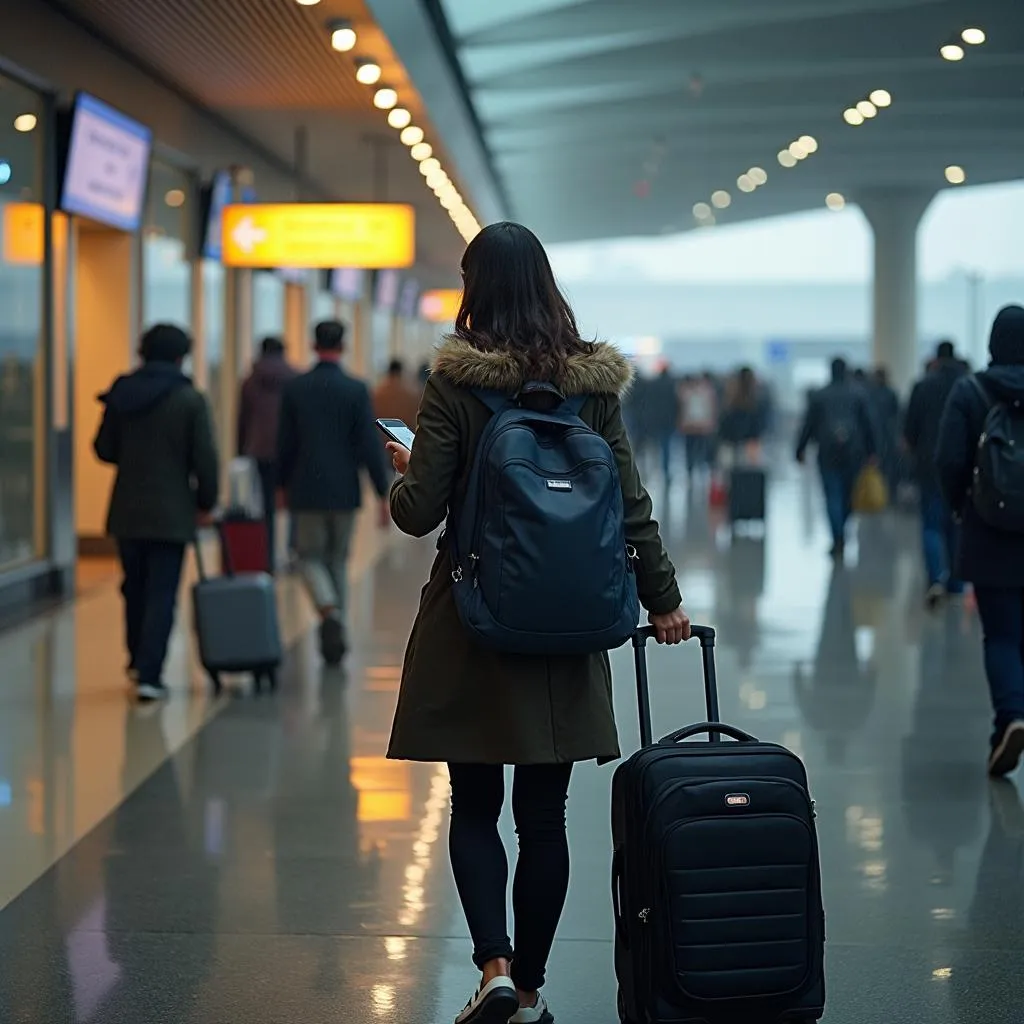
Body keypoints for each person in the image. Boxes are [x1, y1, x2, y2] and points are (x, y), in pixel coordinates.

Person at [383, 222, 690, 1024]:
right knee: (544, 817)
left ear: (476, 286)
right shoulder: (594, 387)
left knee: (475, 807)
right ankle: (529, 988)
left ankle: (490, 968)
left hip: (476, 618)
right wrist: (663, 599)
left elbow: (418, 515)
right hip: (567, 624)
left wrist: (407, 471)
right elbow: (630, 505)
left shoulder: (456, 383)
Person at [94, 324, 219, 701]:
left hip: (127, 509)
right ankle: (150, 672)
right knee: (162, 591)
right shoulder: (189, 399)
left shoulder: (122, 393)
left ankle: (136, 659)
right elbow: (205, 459)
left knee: (134, 587)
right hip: (172, 511)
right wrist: (206, 503)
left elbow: (104, 449)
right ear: (181, 356)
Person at [935, 306, 1024, 776]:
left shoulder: (972, 391)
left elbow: (948, 460)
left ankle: (1010, 719)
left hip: (990, 529)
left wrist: (960, 508)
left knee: (1003, 634)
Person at [277, 320, 390, 665]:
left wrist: (280, 486)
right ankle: (335, 620)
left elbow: (284, 443)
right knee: (337, 558)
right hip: (344, 489)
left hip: (305, 488)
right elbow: (370, 446)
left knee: (308, 556)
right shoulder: (356, 390)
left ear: (314, 346)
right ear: (342, 347)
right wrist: (382, 493)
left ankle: (328, 610)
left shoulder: (296, 388)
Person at [903, 340, 967, 607]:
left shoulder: (923, 386)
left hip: (930, 464)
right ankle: (956, 581)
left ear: (936, 360)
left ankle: (934, 578)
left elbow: (909, 430)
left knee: (931, 524)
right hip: (963, 465)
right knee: (957, 523)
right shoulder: (969, 386)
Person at [795, 357, 878, 559]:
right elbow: (869, 424)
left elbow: (808, 424)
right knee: (849, 494)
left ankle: (838, 537)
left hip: (827, 451)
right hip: (854, 452)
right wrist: (872, 451)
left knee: (832, 494)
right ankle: (843, 528)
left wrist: (800, 449)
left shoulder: (820, 396)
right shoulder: (859, 394)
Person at [238, 336, 297, 571]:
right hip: (291, 451)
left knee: (266, 508)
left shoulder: (250, 381)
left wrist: (241, 449)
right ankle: (293, 554)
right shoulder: (295, 379)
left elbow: (243, 420)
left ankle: (267, 559)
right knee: (293, 503)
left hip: (260, 449)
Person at [678, 372, 718, 477]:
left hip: (691, 427)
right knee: (698, 451)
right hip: (701, 427)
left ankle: (692, 471)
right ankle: (699, 471)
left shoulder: (686, 392)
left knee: (692, 452)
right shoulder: (706, 393)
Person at [373, 357, 421, 429]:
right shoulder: (411, 394)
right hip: (403, 436)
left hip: (382, 434)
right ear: (401, 372)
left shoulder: (377, 392)